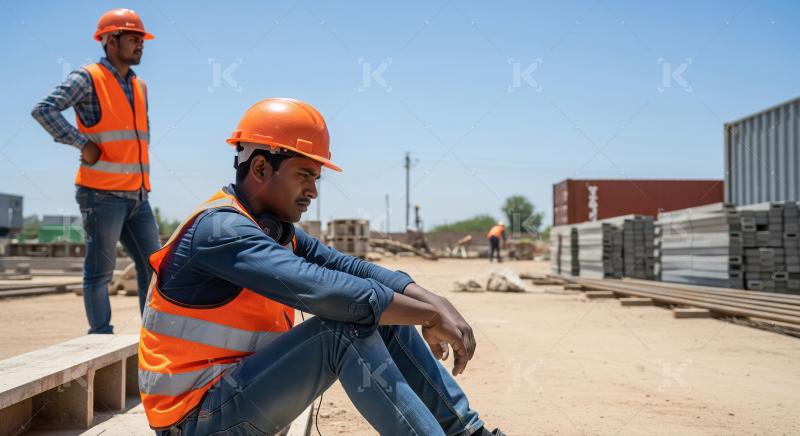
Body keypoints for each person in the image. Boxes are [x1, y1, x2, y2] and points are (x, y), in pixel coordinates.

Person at [138, 98, 505, 436]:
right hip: (192, 422)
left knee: (385, 312)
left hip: (233, 397)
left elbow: (352, 268)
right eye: (303, 175)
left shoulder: (273, 231)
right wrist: (427, 317)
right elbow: (327, 291)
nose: (314, 191)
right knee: (343, 328)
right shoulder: (220, 231)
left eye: (316, 178)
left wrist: (433, 301)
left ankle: (469, 432)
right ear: (262, 167)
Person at [31, 8, 160, 333]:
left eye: (141, 39)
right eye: (133, 38)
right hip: (101, 194)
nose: (140, 44)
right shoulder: (87, 78)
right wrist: (79, 142)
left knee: (156, 266)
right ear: (110, 41)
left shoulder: (140, 85)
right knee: (100, 272)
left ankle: (154, 334)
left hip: (138, 195)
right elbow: (43, 109)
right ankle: (100, 336)